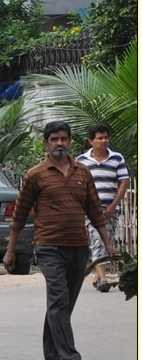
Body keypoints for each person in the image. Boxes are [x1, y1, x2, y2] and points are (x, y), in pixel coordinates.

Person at [6, 121, 113, 360]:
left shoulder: (82, 172)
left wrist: (107, 243)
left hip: (79, 246)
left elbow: (95, 210)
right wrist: (10, 250)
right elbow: (20, 215)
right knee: (59, 298)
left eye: (63, 139)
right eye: (54, 139)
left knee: (63, 303)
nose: (59, 143)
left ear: (70, 142)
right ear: (45, 143)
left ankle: (52, 355)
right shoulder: (36, 175)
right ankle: (69, 357)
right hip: (48, 246)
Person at [76, 123, 130, 292]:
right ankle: (104, 278)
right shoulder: (81, 160)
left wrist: (113, 206)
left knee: (108, 240)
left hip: (111, 209)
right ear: (91, 141)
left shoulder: (117, 158)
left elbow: (124, 182)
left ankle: (98, 277)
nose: (104, 141)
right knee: (97, 239)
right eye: (100, 138)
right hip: (90, 210)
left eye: (106, 137)